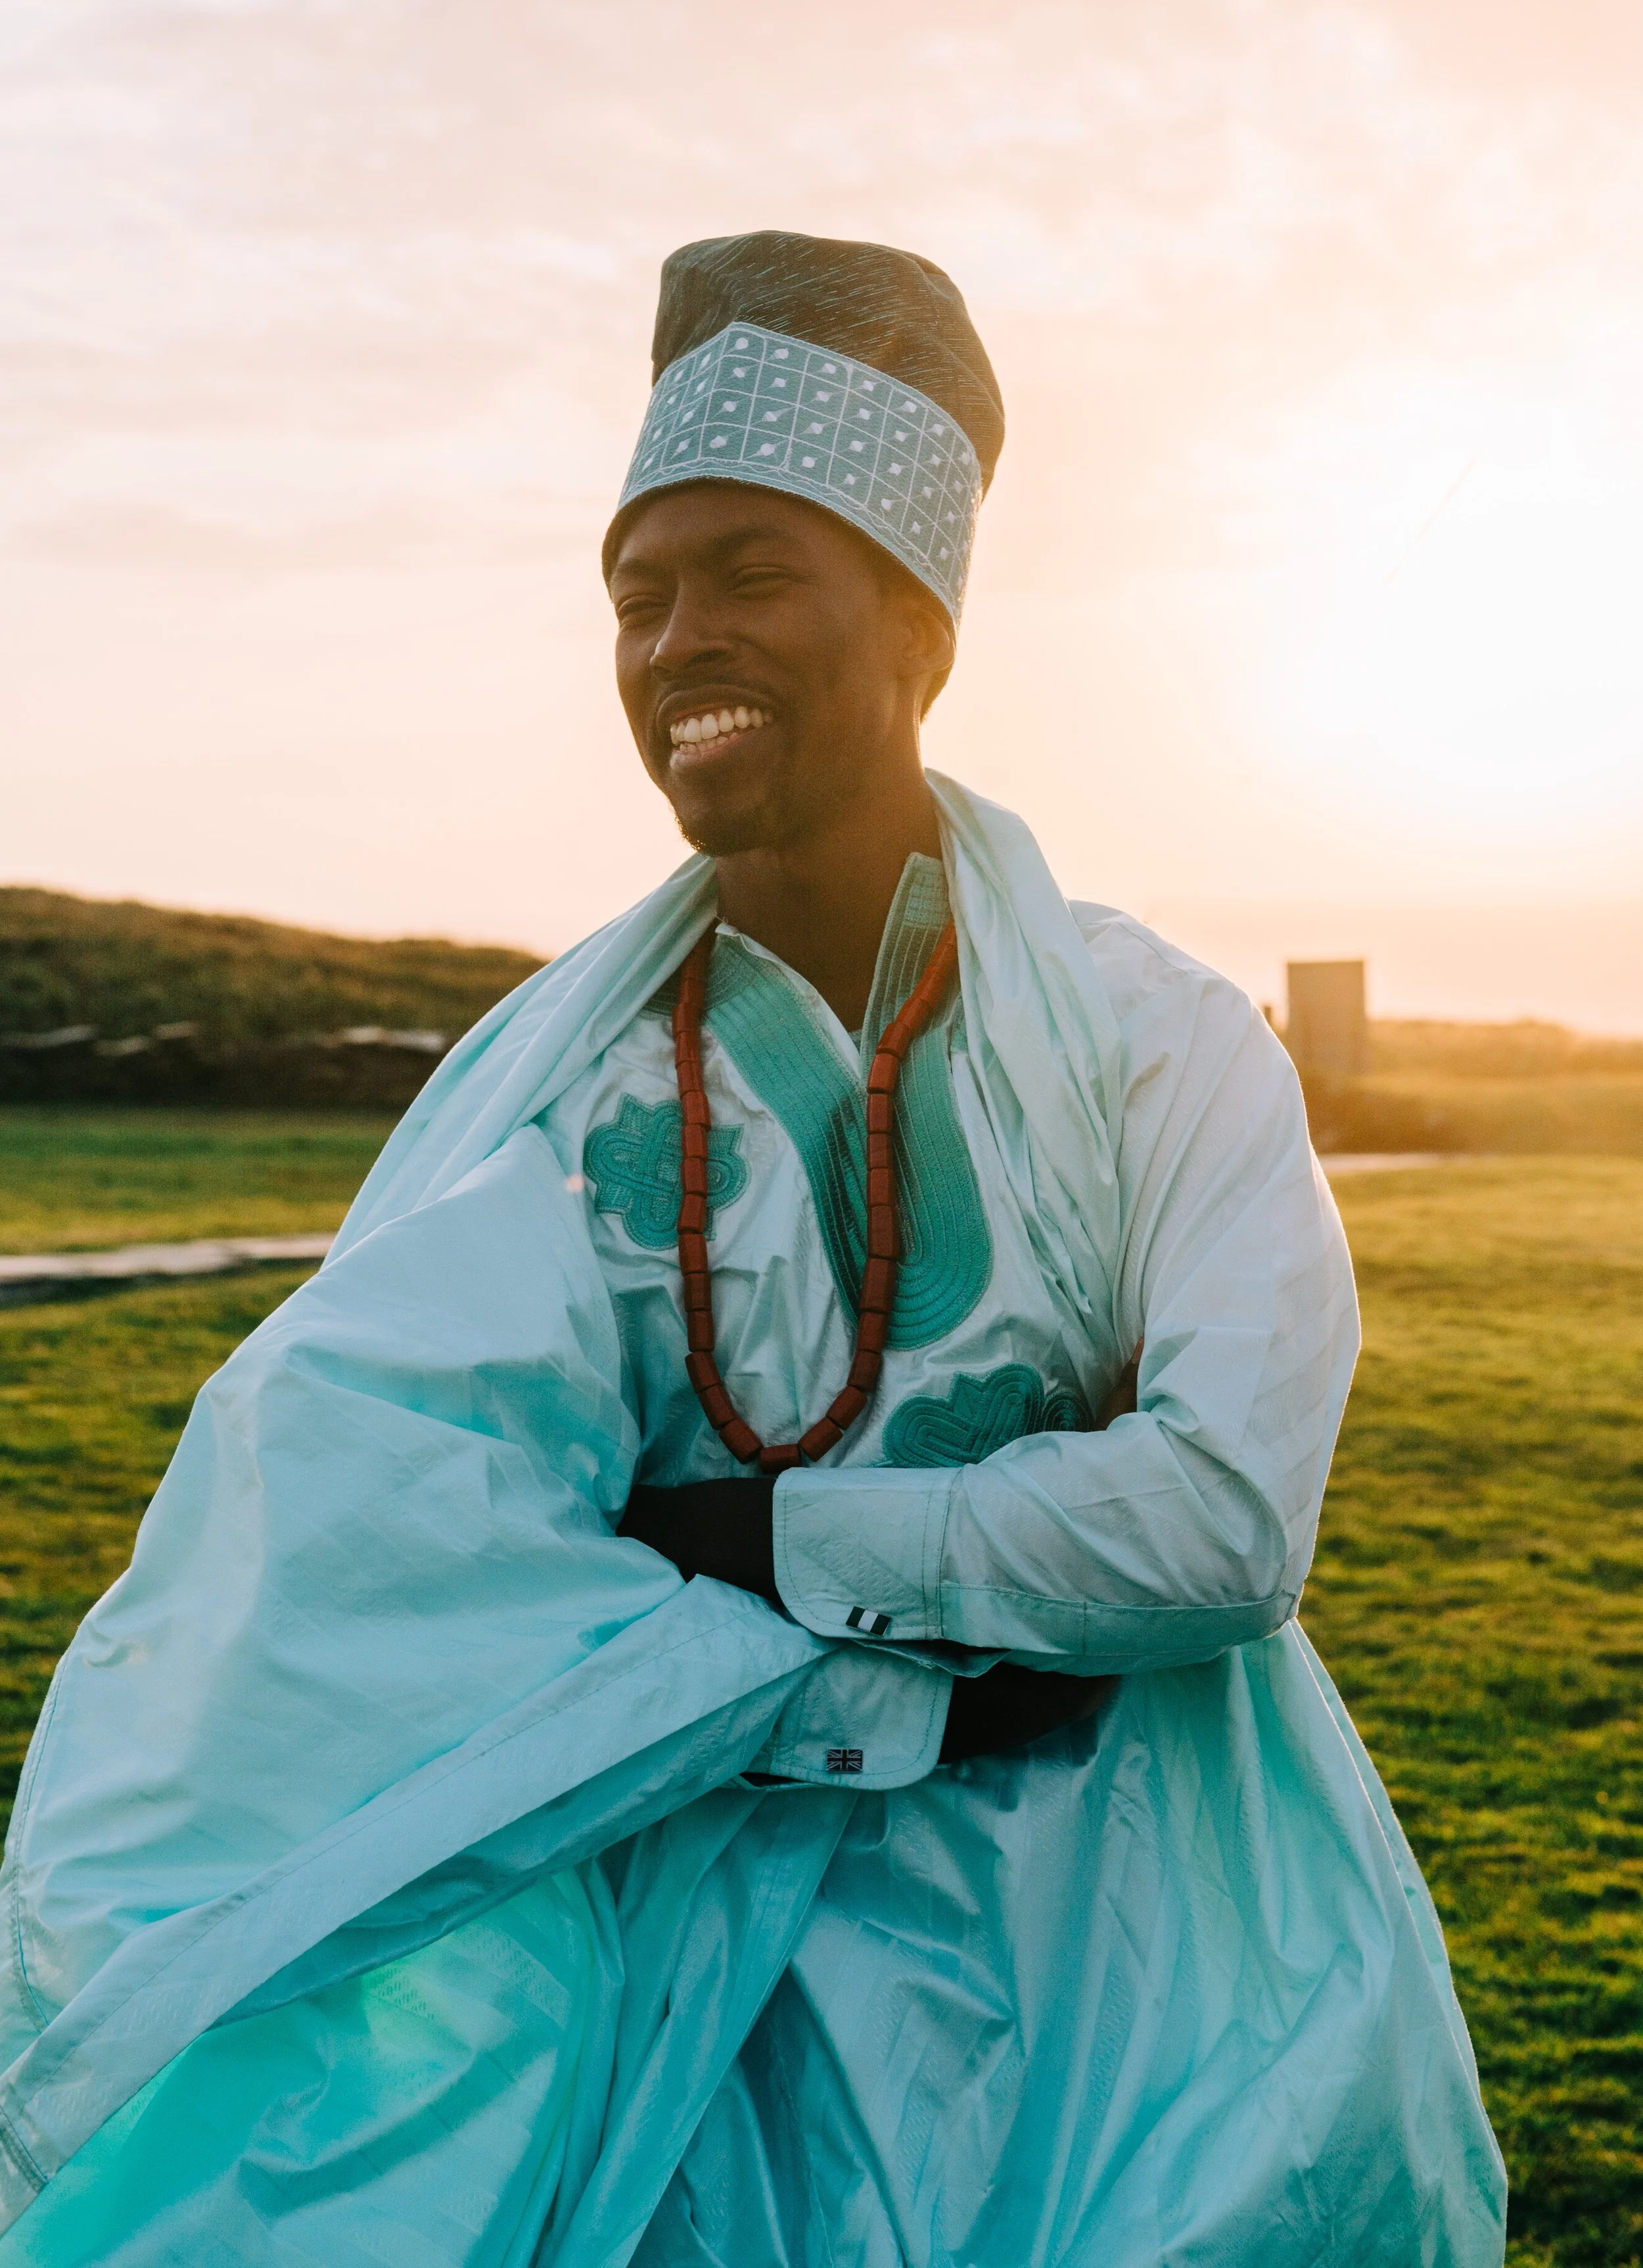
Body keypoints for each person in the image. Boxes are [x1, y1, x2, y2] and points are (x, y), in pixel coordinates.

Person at [0, 231, 1506, 2266]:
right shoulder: (556, 1098)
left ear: (915, 621)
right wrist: (923, 1618)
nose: (672, 641)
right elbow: (368, 1543)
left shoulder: (1162, 1042)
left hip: (1167, 1997)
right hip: (722, 2009)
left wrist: (761, 1546)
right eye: (638, 595)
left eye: (748, 574)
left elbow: (1225, 1521)